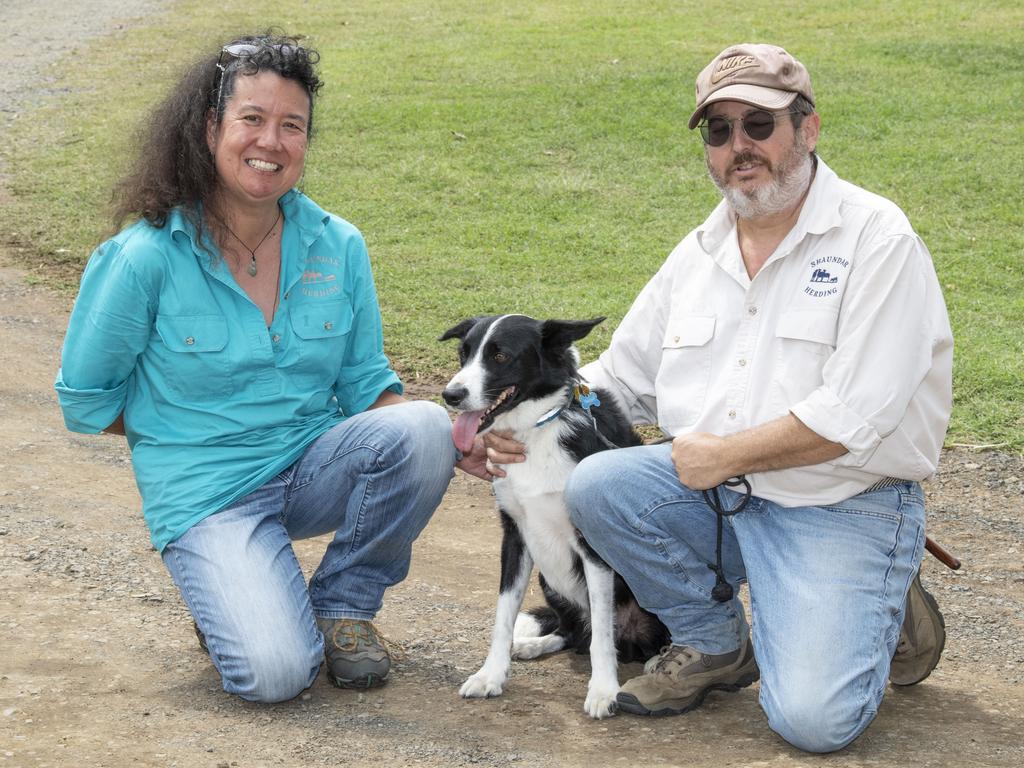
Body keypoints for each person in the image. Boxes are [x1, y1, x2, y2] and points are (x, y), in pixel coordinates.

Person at [484, 43, 952, 752]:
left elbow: (857, 417)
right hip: (714, 491)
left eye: (759, 126)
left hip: (839, 500)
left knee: (812, 723)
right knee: (600, 483)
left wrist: (722, 453)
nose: (740, 146)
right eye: (719, 130)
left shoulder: (876, 238)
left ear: (809, 128)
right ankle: (713, 641)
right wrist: (520, 416)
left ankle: (884, 585)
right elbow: (615, 379)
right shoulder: (698, 253)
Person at [54, 33, 488, 704]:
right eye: (252, 119)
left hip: (311, 465)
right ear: (210, 128)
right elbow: (85, 401)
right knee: (276, 675)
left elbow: (367, 386)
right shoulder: (142, 257)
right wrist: (176, 433)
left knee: (426, 426)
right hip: (209, 495)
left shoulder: (338, 244)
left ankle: (342, 606)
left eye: (293, 125)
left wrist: (459, 439)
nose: (272, 141)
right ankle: (232, 589)